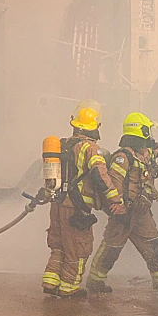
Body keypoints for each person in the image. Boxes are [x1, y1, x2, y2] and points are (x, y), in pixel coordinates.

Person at [86, 112, 158, 293]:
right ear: (139, 132)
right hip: (124, 213)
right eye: (147, 131)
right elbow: (114, 183)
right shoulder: (122, 157)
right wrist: (118, 207)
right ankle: (95, 280)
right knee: (111, 248)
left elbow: (156, 151)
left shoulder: (144, 154)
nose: (150, 136)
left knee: (154, 244)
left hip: (142, 212)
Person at [42, 103, 126, 298]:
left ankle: (51, 281)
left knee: (59, 245)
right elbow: (100, 175)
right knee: (78, 248)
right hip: (75, 207)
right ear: (94, 126)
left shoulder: (63, 145)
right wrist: (116, 199)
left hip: (57, 203)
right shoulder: (90, 148)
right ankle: (69, 288)